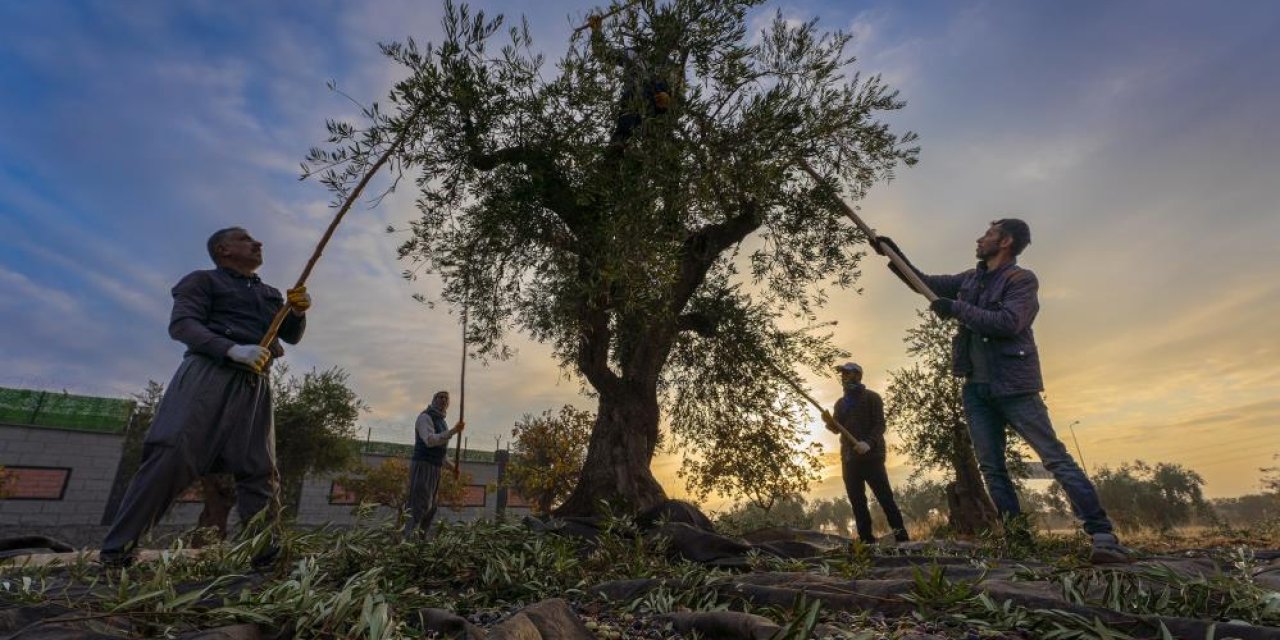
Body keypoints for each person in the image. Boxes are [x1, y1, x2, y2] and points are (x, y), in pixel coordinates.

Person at [876, 219, 1130, 563]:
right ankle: (1018, 541)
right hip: (976, 389)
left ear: (1006, 241)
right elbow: (925, 283)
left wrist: (956, 309)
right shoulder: (970, 278)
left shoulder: (1021, 280)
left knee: (1054, 459)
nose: (980, 239)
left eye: (989, 234)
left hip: (1015, 386)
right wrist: (892, 254)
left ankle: (1102, 534)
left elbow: (1010, 322)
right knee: (992, 469)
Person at [99, 227, 309, 568]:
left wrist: (297, 312)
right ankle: (117, 552)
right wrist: (231, 350)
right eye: (245, 239)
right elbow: (182, 325)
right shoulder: (202, 281)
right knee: (173, 454)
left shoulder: (270, 294)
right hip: (208, 375)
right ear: (223, 249)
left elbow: (292, 336)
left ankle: (267, 557)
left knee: (260, 469)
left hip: (256, 383)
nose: (257, 242)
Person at [821, 362, 909, 545]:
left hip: (872, 457)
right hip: (849, 459)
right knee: (857, 502)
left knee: (885, 499)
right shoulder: (841, 403)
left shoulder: (872, 398)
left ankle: (902, 539)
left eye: (849, 374)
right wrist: (829, 422)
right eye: (843, 375)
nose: (845, 377)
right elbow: (837, 429)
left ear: (858, 376)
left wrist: (868, 443)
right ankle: (867, 541)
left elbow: (880, 425)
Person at [588, 10, 680, 150]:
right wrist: (596, 31)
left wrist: (669, 99)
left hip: (658, 111)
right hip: (633, 101)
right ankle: (618, 146)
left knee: (663, 145)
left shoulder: (673, 67)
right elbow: (602, 53)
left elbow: (679, 98)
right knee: (634, 96)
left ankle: (662, 151)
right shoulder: (634, 53)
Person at [404, 390, 465, 539]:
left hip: (435, 469)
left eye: (446, 398)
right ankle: (408, 542)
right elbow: (430, 441)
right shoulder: (425, 417)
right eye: (440, 397)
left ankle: (421, 542)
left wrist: (453, 468)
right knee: (419, 506)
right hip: (423, 466)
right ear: (434, 400)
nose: (443, 400)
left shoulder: (442, 422)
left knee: (431, 508)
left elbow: (440, 454)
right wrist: (453, 432)